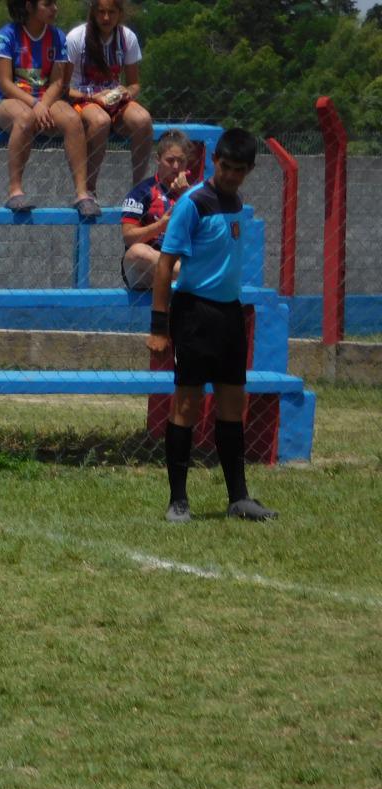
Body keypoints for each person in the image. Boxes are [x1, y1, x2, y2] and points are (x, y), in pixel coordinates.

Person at [148, 127, 276, 524]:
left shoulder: (235, 201)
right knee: (186, 403)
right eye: (226, 167)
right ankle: (178, 501)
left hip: (229, 315)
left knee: (232, 405)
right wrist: (159, 324)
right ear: (213, 162)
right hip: (195, 313)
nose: (232, 175)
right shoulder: (193, 203)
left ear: (250, 169)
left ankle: (238, 497)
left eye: (240, 169)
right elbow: (166, 264)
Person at [0, 0, 98, 217]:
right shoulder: (7, 35)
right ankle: (15, 191)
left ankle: (82, 193)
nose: (55, 8)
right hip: (9, 99)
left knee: (72, 119)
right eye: (47, 4)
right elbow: (5, 83)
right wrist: (35, 105)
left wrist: (43, 105)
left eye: (55, 3)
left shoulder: (57, 37)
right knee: (25, 118)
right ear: (28, 6)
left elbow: (58, 82)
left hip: (45, 99)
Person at [65, 0, 154, 196]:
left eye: (111, 12)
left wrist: (126, 93)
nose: (106, 18)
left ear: (120, 13)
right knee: (100, 121)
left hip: (113, 98)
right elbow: (63, 89)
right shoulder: (76, 38)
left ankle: (139, 190)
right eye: (101, 12)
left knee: (143, 120)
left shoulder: (127, 38)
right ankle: (89, 189)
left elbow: (134, 83)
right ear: (93, 12)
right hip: (83, 98)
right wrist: (93, 96)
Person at [121, 129, 193, 290]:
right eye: (170, 160)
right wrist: (161, 226)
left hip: (181, 259)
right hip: (145, 268)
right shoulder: (142, 191)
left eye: (181, 161)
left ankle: (191, 278)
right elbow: (128, 237)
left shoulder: (194, 193)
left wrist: (186, 196)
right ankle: (197, 280)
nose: (176, 166)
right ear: (158, 160)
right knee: (137, 251)